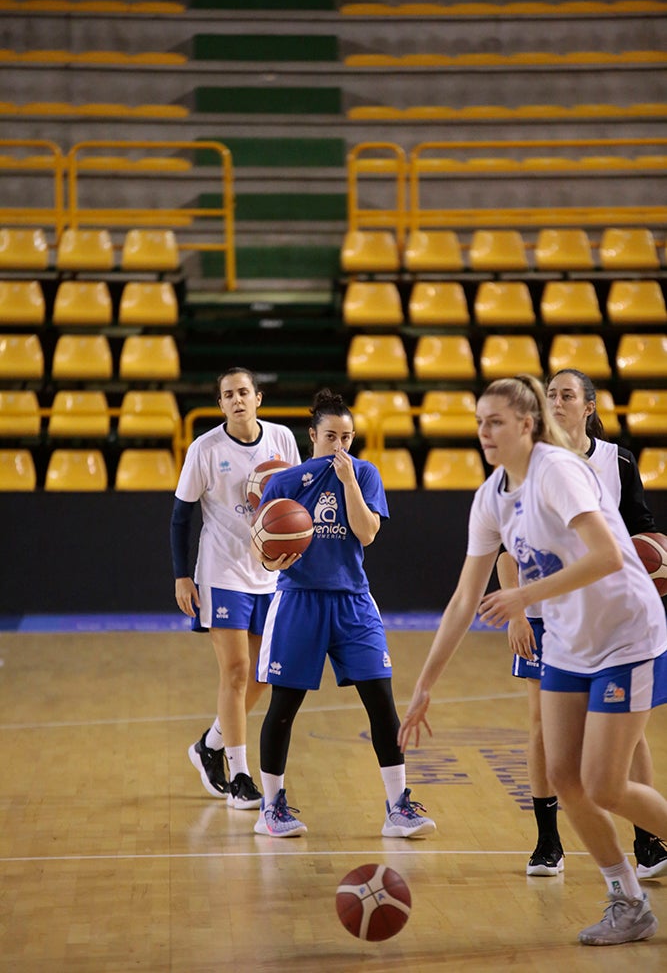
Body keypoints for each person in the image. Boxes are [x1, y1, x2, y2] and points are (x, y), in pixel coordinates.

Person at [398, 374, 667, 946]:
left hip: (625, 632)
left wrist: (524, 596)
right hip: (570, 640)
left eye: (494, 422)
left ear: (526, 423)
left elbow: (608, 558)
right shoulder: (492, 495)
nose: (483, 433)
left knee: (604, 784)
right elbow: (464, 598)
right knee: (565, 776)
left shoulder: (559, 471)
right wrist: (423, 686)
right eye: (478, 423)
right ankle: (628, 899)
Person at [498, 367, 667, 879]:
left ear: (589, 406)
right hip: (547, 611)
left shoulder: (615, 461)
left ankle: (649, 842)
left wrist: (659, 559)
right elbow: (509, 548)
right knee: (542, 728)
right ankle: (548, 842)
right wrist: (518, 611)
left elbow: (643, 533)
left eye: (567, 395)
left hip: (609, 617)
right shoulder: (528, 466)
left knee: (628, 739)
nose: (557, 402)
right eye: (550, 395)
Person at [250, 388, 436, 839]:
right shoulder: (284, 483)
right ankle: (271, 807)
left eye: (347, 437)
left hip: (353, 602)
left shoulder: (366, 474)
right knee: (283, 706)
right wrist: (274, 558)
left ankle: (397, 807)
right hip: (299, 601)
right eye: (331, 436)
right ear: (312, 435)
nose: (340, 446)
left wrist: (349, 481)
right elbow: (262, 553)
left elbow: (367, 533)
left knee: (381, 702)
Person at [170, 367, 301, 809]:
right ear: (221, 403)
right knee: (237, 671)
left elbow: (294, 503)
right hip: (222, 571)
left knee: (265, 673)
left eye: (244, 391)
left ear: (258, 398)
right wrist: (182, 575)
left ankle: (209, 743)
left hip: (270, 572)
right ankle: (240, 774)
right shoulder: (204, 449)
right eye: (228, 394)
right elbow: (181, 516)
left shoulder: (282, 439)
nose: (238, 399)